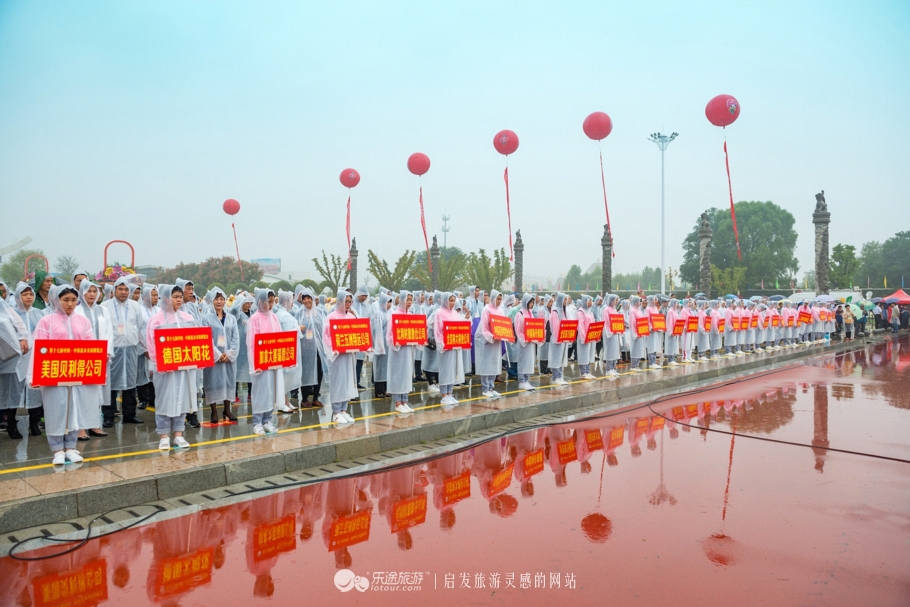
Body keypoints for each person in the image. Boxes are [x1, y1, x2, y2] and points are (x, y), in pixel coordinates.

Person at [28, 284, 99, 464]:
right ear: (56, 300)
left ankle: (71, 447)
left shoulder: (83, 321)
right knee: (56, 410)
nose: (70, 304)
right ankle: (57, 449)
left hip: (77, 372)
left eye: (73, 300)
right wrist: (34, 375)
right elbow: (38, 348)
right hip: (54, 373)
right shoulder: (47, 321)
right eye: (65, 300)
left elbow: (90, 345)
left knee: (74, 409)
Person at [145, 285, 194, 450]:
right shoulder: (156, 320)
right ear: (166, 298)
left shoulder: (187, 318)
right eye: (175, 296)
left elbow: (195, 340)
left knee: (182, 398)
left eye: (181, 296)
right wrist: (159, 364)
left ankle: (179, 434)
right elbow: (151, 345)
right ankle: (164, 435)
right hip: (165, 370)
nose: (179, 299)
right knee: (164, 400)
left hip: (183, 368)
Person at [100, 276, 144, 427]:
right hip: (113, 351)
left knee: (131, 382)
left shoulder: (135, 306)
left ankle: (129, 414)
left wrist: (142, 346)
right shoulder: (105, 306)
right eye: (120, 289)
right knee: (110, 384)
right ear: (114, 290)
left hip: (130, 349)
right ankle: (108, 416)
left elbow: (140, 326)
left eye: (126, 289)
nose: (124, 292)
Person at [73, 279, 111, 440]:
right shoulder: (76, 311)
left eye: (95, 291)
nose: (92, 294)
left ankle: (95, 425)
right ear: (82, 292)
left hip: (101, 356)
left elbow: (109, 332)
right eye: (89, 291)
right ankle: (81, 428)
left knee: (96, 392)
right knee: (81, 392)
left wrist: (107, 351)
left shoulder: (103, 310)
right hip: (83, 356)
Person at [247, 289, 285, 435]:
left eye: (272, 301)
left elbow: (281, 338)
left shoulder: (274, 317)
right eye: (268, 301)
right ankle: (257, 422)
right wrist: (254, 363)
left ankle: (267, 419)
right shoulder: (255, 319)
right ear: (260, 301)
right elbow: (251, 343)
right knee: (260, 391)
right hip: (261, 364)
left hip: (273, 361)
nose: (270, 304)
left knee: (271, 391)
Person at [323, 289, 363, 423]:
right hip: (337, 357)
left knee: (347, 381)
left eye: (350, 302)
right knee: (338, 382)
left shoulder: (352, 317)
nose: (349, 304)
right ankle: (336, 411)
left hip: (349, 355)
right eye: (346, 301)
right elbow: (326, 336)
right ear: (339, 301)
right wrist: (332, 348)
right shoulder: (331, 317)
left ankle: (344, 409)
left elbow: (358, 334)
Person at [201, 287, 240, 424]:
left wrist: (229, 354)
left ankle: (227, 409)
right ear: (212, 301)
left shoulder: (231, 318)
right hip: (214, 358)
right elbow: (206, 338)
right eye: (216, 299)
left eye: (222, 299)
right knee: (213, 382)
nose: (219, 302)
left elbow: (236, 338)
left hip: (228, 358)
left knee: (229, 382)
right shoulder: (206, 319)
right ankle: (214, 411)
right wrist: (217, 354)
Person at [11, 282, 45, 436]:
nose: (29, 297)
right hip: (17, 358)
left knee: (35, 390)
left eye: (31, 294)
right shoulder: (11, 314)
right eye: (25, 294)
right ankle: (12, 424)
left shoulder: (39, 314)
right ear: (18, 297)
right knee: (14, 390)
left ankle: (34, 423)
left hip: (35, 357)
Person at [387, 291, 416, 414]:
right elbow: (389, 334)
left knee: (406, 374)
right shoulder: (395, 315)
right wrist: (395, 342)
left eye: (411, 300)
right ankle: (397, 402)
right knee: (398, 375)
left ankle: (405, 400)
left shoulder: (411, 315)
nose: (409, 302)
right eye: (407, 299)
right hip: (398, 351)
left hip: (408, 350)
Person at [476, 289, 508, 398]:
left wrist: (504, 334)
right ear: (493, 298)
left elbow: (503, 325)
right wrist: (491, 336)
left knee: (495, 363)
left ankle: (491, 387)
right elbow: (484, 328)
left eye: (500, 299)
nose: (499, 301)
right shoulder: (486, 309)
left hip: (497, 342)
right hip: (488, 342)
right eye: (497, 299)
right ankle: (485, 388)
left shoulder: (501, 311)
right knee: (486, 364)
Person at [295, 287, 324, 408]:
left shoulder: (319, 312)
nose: (307, 300)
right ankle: (305, 398)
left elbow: (324, 328)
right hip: (305, 349)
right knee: (306, 373)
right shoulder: (299, 313)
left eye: (309, 298)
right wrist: (299, 327)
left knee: (319, 372)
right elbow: (295, 329)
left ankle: (316, 397)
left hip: (318, 348)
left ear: (312, 298)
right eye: (304, 298)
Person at [435, 292, 466, 404]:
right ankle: (444, 395)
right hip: (445, 346)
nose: (452, 303)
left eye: (453, 301)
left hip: (454, 345)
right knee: (445, 370)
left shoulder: (454, 313)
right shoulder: (439, 313)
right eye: (450, 300)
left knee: (452, 369)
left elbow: (459, 328)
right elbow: (438, 331)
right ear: (445, 301)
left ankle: (450, 393)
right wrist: (441, 343)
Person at [275, 290, 301, 413]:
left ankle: (286, 401)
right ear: (286, 301)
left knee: (284, 379)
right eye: (291, 300)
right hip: (287, 351)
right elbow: (287, 336)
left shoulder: (282, 314)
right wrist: (299, 328)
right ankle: (282, 403)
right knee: (283, 379)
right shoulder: (284, 316)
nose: (292, 303)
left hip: (286, 350)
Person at [136, 284, 158, 410]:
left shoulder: (159, 310)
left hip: (156, 348)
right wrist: (145, 348)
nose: (155, 298)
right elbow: (138, 330)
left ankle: (153, 398)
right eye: (152, 295)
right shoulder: (140, 310)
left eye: (156, 295)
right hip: (143, 347)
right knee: (142, 373)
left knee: (154, 373)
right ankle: (143, 399)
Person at [229, 292, 254, 403]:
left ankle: (250, 393)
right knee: (238, 370)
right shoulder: (237, 314)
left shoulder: (253, 314)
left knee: (250, 369)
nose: (249, 304)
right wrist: (240, 296)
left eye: (250, 302)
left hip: (250, 346)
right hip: (240, 346)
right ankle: (235, 394)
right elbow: (232, 310)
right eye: (246, 302)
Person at [512, 293, 538, 391]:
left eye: (532, 302)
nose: (531, 304)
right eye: (530, 302)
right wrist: (524, 339)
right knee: (523, 362)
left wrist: (536, 337)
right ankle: (522, 381)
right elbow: (518, 330)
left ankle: (527, 380)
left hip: (530, 342)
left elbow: (534, 327)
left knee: (529, 362)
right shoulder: (520, 314)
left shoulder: (530, 314)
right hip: (523, 343)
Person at [369, 292, 391, 399]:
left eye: (390, 302)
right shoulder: (378, 314)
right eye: (388, 302)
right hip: (381, 345)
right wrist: (380, 346)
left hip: (388, 345)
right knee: (379, 368)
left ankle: (385, 389)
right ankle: (378, 391)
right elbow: (377, 331)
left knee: (387, 368)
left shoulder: (389, 313)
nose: (389, 304)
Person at [547, 293, 572, 384]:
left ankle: (560, 376)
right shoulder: (555, 312)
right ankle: (555, 377)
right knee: (556, 358)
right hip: (557, 339)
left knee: (561, 358)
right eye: (564, 300)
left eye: (566, 299)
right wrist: (560, 338)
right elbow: (555, 328)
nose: (566, 301)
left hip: (563, 339)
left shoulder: (563, 312)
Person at [351, 285, 371, 390]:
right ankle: (352, 382)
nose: (364, 298)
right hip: (353, 336)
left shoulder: (366, 306)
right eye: (362, 295)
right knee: (352, 360)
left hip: (363, 336)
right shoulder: (352, 304)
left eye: (365, 296)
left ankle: (357, 381)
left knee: (360, 360)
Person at [575, 295, 596, 380]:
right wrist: (584, 338)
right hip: (583, 338)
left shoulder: (590, 312)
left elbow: (593, 323)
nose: (591, 302)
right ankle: (583, 372)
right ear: (585, 302)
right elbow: (580, 326)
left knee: (589, 354)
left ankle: (587, 371)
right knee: (583, 354)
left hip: (590, 337)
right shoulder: (580, 312)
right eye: (589, 300)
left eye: (591, 300)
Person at [601, 294, 622, 376]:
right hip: (609, 334)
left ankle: (613, 368)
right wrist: (610, 332)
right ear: (611, 300)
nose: (616, 302)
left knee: (615, 351)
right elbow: (605, 323)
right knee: (610, 351)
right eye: (615, 300)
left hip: (615, 333)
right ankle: (608, 369)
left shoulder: (614, 310)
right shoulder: (606, 310)